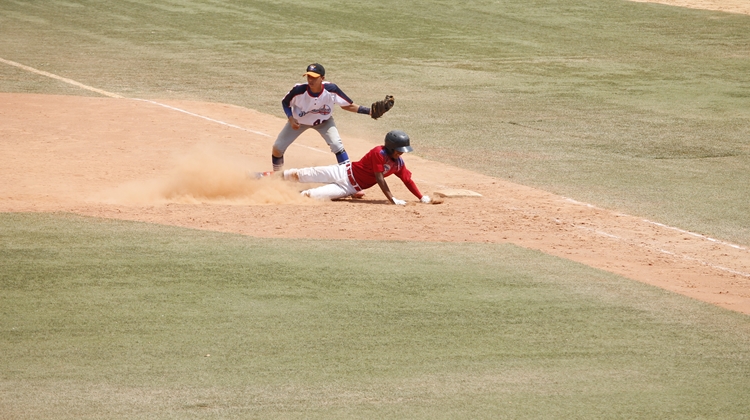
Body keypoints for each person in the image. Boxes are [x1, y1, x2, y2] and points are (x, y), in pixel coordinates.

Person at [260, 130, 431, 205]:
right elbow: (379, 178)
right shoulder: (378, 153)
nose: (402, 154)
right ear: (391, 147)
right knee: (297, 175)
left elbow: (407, 180)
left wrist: (421, 196)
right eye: (399, 150)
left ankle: (274, 195)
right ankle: (261, 177)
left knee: (310, 196)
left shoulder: (398, 164)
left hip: (347, 187)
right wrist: (392, 199)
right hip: (341, 171)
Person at [271, 63, 374, 173]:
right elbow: (285, 102)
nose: (310, 80)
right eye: (308, 76)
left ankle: (349, 178)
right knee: (277, 148)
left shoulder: (331, 90)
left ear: (322, 78)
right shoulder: (298, 90)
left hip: (324, 122)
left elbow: (347, 105)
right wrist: (291, 118)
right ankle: (278, 176)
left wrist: (369, 112)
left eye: (314, 77)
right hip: (299, 123)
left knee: (337, 145)